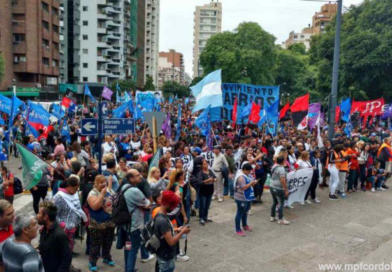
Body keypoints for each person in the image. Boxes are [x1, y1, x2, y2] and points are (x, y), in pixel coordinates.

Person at [118, 169, 151, 272]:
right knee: (133, 249)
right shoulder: (135, 191)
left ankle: (128, 267)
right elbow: (147, 203)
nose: (140, 176)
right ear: (131, 178)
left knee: (128, 247)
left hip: (126, 225)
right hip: (134, 226)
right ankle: (129, 269)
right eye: (137, 175)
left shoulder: (124, 187)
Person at [154, 190, 191, 272]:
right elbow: (171, 241)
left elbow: (163, 231)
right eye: (173, 206)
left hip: (163, 253)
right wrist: (182, 232)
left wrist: (177, 229)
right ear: (167, 204)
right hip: (166, 256)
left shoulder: (161, 214)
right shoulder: (162, 220)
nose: (174, 208)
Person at [87, 175, 116, 271]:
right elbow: (95, 206)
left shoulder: (109, 190)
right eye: (101, 182)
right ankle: (92, 262)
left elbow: (114, 200)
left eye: (104, 182)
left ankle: (107, 257)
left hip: (109, 222)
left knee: (108, 242)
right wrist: (102, 195)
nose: (103, 184)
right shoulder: (92, 193)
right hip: (97, 224)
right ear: (96, 183)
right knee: (95, 245)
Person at [53, 175, 87, 257]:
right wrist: (62, 224)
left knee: (70, 245)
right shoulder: (58, 197)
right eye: (75, 189)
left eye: (77, 189)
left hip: (72, 226)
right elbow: (53, 214)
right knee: (62, 249)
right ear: (68, 186)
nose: (76, 191)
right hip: (63, 229)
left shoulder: (73, 193)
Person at [37, 201, 73, 272]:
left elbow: (67, 257)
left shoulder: (59, 235)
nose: (37, 215)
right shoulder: (44, 230)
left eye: (39, 213)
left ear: (45, 217)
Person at [233, 163, 257, 236]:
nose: (250, 172)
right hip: (240, 197)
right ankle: (237, 229)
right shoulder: (241, 177)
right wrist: (251, 183)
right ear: (245, 170)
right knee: (240, 213)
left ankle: (244, 225)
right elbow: (244, 187)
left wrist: (253, 182)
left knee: (245, 211)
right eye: (249, 171)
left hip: (247, 197)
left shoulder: (246, 175)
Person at [270, 156, 290, 225]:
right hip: (278, 188)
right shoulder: (281, 169)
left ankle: (272, 216)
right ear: (282, 162)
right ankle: (280, 219)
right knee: (281, 204)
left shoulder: (274, 166)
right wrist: (286, 190)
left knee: (274, 202)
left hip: (272, 186)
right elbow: (282, 180)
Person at [197, 160, 216, 225]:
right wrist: (207, 180)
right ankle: (201, 218)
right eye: (204, 164)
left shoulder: (210, 171)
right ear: (202, 166)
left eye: (206, 164)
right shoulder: (200, 173)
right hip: (203, 192)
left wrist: (214, 179)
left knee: (207, 206)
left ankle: (205, 217)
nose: (205, 165)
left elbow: (215, 177)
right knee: (202, 205)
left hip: (210, 191)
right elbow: (199, 182)